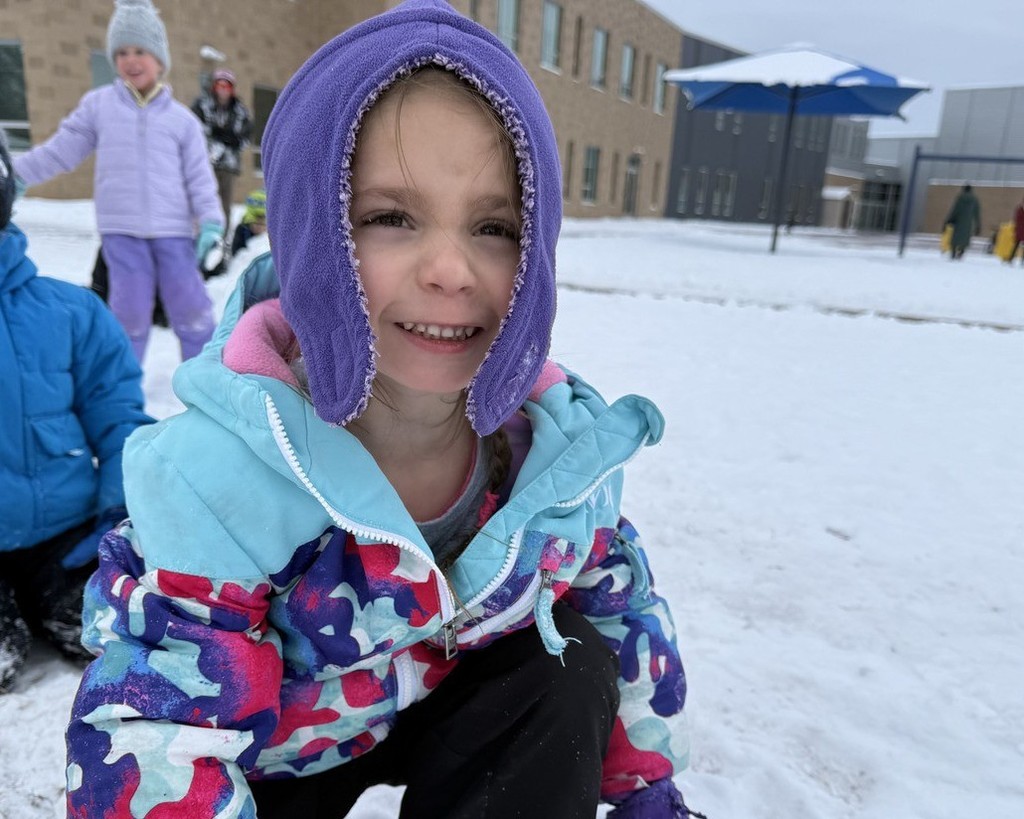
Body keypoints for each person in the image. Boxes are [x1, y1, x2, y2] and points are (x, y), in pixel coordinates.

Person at [64, 2, 692, 818]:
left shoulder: (550, 456)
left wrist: (650, 800)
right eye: (391, 217)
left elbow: (621, 614)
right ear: (311, 234)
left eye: (494, 226)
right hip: (269, 755)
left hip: (429, 704)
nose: (449, 268)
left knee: (567, 663)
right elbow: (158, 730)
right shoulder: (223, 477)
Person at [0, 132, 153, 693]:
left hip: (64, 538)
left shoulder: (71, 312)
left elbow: (118, 418)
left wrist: (115, 510)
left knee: (110, 637)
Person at [13, 0, 224, 364]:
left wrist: (211, 221)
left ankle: (204, 382)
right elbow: (61, 151)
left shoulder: (182, 121)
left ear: (160, 59)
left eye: (140, 50)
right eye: (122, 51)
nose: (130, 59)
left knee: (192, 311)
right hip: (121, 231)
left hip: (173, 231)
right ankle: (121, 390)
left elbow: (199, 177)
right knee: (129, 317)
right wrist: (17, 173)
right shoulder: (99, 107)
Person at [191, 68, 253, 232]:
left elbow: (245, 137)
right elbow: (195, 130)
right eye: (220, 85)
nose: (223, 90)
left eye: (227, 86)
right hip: (205, 162)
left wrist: (230, 141)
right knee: (203, 199)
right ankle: (200, 235)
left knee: (224, 204)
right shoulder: (202, 106)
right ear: (214, 87)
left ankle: (222, 240)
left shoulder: (240, 112)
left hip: (228, 165)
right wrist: (216, 139)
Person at [944, 183, 981, 260]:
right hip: (968, 222)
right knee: (965, 238)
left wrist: (949, 219)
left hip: (958, 221)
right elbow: (977, 213)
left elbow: (955, 209)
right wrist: (978, 225)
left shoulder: (960, 198)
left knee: (955, 237)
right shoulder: (974, 199)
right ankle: (961, 252)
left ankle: (953, 252)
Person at [229, 188, 267, 256]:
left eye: (262, 225)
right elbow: (236, 253)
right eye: (256, 223)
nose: (259, 227)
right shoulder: (242, 231)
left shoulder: (268, 237)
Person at [1010, 196, 1024, 265]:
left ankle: (1022, 260)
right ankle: (1011, 258)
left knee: (1017, 245)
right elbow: (1017, 219)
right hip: (1020, 230)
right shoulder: (1019, 209)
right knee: (1016, 245)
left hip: (1020, 230)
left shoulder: (1019, 209)